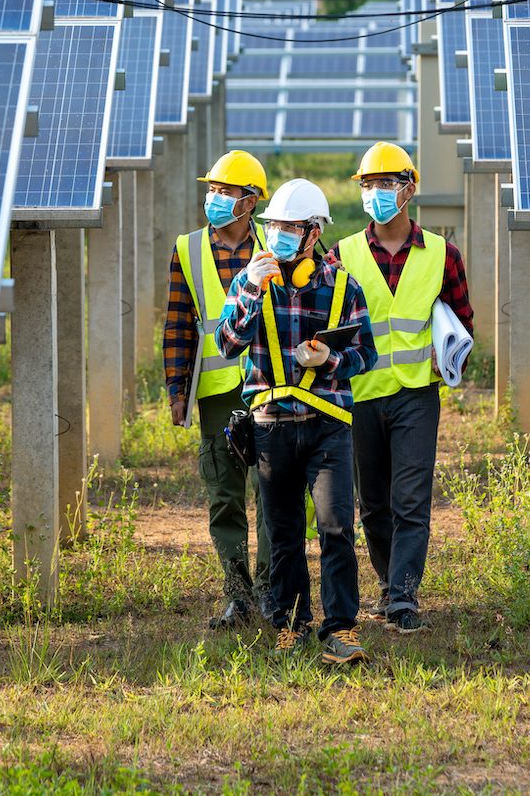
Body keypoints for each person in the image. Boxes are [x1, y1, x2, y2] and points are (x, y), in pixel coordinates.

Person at [216, 178, 379, 665]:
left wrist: (330, 358)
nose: (279, 236)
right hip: (271, 426)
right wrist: (249, 289)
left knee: (336, 527)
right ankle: (289, 624)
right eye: (273, 227)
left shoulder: (343, 286)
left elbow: (366, 354)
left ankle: (340, 628)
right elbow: (228, 344)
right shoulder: (247, 282)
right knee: (283, 532)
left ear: (312, 234)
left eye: (290, 228)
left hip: (328, 425)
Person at [326, 142, 475, 635]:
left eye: (385, 184)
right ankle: (390, 582)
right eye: (368, 185)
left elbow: (463, 320)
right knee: (372, 501)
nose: (375, 194)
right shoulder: (341, 255)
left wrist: (450, 356)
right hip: (359, 394)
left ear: (408, 190)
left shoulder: (442, 254)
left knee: (410, 497)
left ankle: (403, 595)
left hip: (416, 394)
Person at [164, 150, 273, 630]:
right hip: (214, 391)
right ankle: (238, 595)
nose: (214, 198)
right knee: (224, 495)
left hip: (270, 387)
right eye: (212, 190)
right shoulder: (186, 249)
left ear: (249, 202)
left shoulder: (280, 243)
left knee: (273, 492)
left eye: (225, 192)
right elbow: (178, 324)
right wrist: (175, 389)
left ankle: (273, 592)